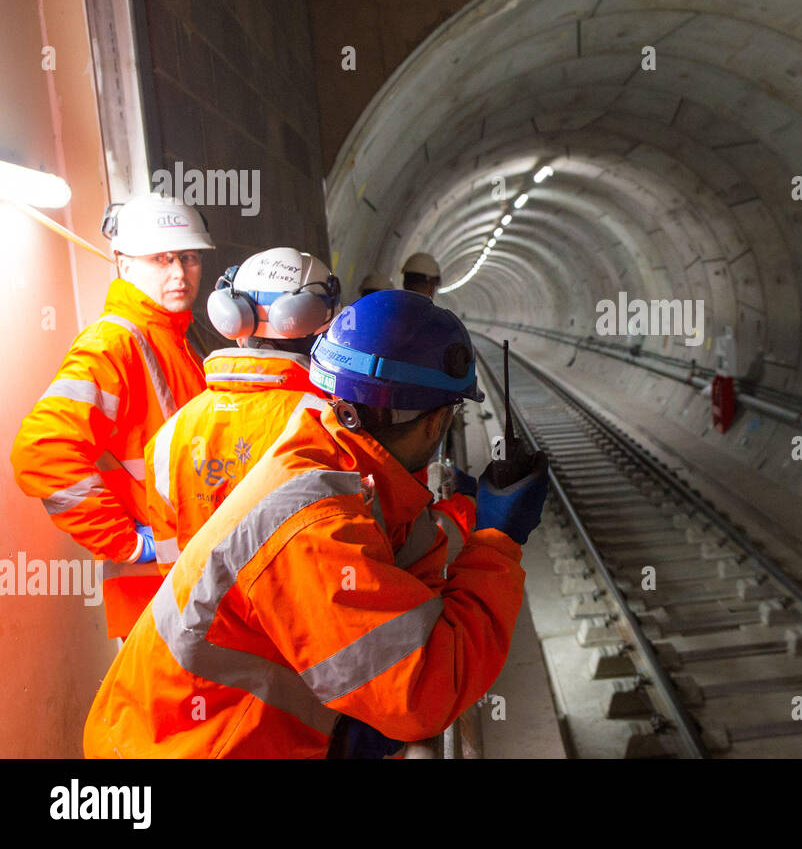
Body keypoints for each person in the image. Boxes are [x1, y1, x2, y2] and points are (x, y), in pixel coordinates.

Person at [84, 290, 550, 757]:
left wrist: (464, 513)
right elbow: (425, 693)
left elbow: (399, 566)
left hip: (194, 733)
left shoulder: (329, 457)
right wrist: (497, 542)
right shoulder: (316, 523)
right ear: (436, 422)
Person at [11, 193, 213, 638]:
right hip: (155, 590)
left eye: (189, 257)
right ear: (124, 264)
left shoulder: (177, 340)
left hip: (192, 580)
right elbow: (41, 454)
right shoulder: (111, 345)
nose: (179, 273)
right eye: (160, 259)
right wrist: (126, 543)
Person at [143, 247, 340, 572]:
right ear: (319, 320)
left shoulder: (170, 436)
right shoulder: (328, 423)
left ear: (232, 316)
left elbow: (172, 572)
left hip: (207, 623)